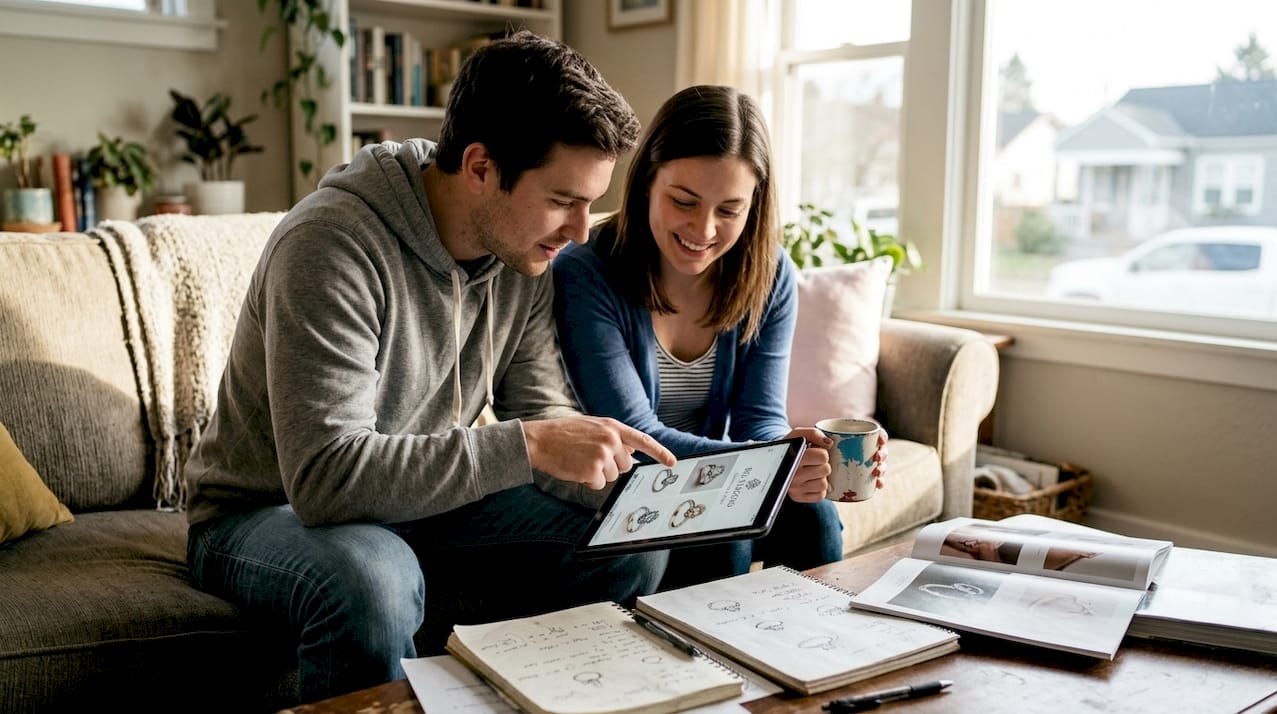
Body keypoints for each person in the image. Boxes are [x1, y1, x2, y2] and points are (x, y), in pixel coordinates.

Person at [182, 30, 677, 704]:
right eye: (564, 199)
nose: (581, 231)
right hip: (260, 511)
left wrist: (621, 486)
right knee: (375, 580)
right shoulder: (330, 246)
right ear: (480, 167)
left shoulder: (523, 254)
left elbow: (541, 408)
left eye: (590, 202)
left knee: (628, 540)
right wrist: (529, 446)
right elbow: (326, 479)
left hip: (421, 503)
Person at [552, 85, 884, 589]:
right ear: (646, 183)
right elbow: (635, 436)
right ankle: (710, 660)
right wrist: (772, 463)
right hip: (624, 483)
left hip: (719, 473)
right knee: (724, 530)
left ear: (754, 205)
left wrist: (806, 458)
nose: (703, 229)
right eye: (683, 201)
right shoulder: (588, 271)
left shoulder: (769, 274)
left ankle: (818, 652)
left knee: (811, 514)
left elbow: (760, 419)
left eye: (729, 210)